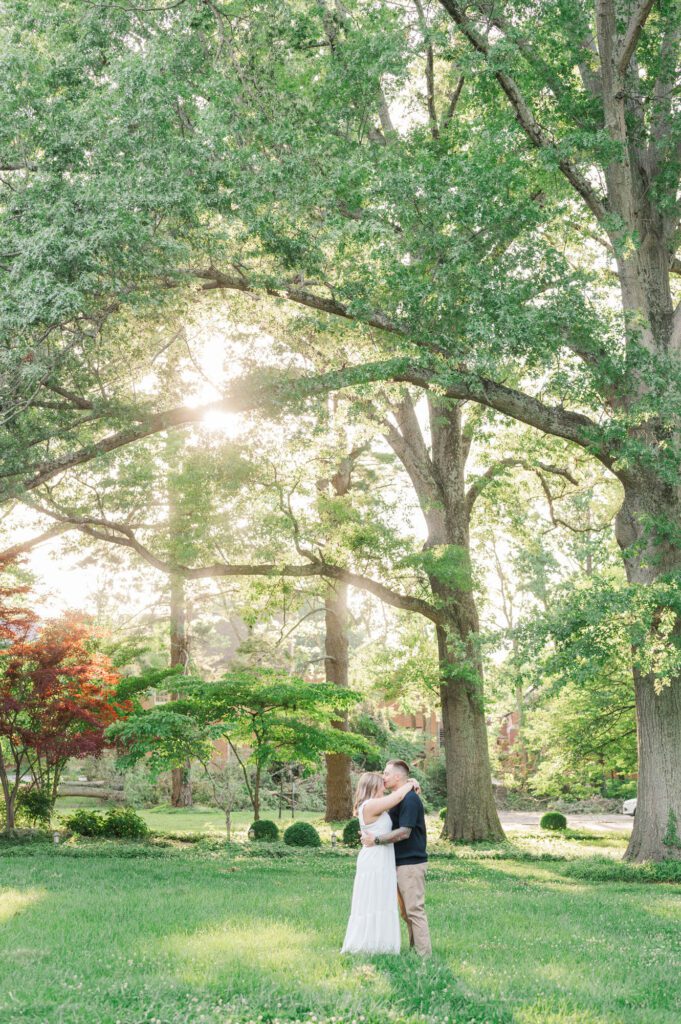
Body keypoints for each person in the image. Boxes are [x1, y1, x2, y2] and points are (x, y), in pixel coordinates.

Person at [341, 771, 419, 955]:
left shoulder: (375, 806)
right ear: (373, 786)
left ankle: (381, 944)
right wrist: (411, 782)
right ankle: (371, 944)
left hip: (382, 857)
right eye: (381, 781)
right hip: (375, 859)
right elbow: (398, 796)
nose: (385, 783)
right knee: (373, 900)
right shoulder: (370, 805)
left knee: (381, 900)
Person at [360, 759, 431, 956]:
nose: (384, 777)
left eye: (387, 773)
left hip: (411, 863)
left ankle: (424, 955)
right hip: (398, 862)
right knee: (405, 912)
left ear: (398, 777)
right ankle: (414, 949)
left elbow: (404, 832)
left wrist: (377, 840)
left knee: (414, 910)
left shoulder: (410, 800)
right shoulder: (397, 798)